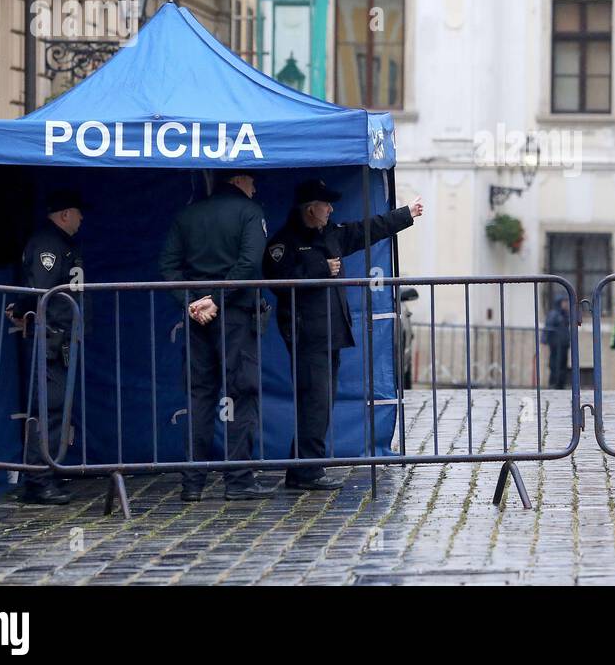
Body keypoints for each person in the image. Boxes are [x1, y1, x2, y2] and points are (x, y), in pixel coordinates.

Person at [264, 178, 423, 491]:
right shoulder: (285, 242)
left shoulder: (331, 233)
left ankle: (303, 467)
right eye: (326, 204)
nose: (331, 209)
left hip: (330, 332)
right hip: (306, 332)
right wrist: (321, 269)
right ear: (311, 209)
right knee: (314, 402)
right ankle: (308, 471)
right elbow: (277, 280)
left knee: (320, 403)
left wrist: (406, 214)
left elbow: (368, 229)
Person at [159, 171, 273, 502]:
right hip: (236, 315)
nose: (255, 188)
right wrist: (218, 298)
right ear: (239, 181)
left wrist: (194, 300)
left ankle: (192, 483)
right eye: (253, 182)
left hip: (197, 317)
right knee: (241, 393)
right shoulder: (250, 212)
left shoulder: (188, 214)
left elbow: (167, 266)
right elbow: (250, 263)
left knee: (199, 396)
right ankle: (238, 480)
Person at [5, 188, 85, 506]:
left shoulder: (61, 243)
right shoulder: (48, 244)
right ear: (64, 214)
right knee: (47, 409)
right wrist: (23, 308)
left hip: (59, 338)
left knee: (54, 409)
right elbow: (39, 288)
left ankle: (44, 473)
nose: (82, 218)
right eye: (78, 212)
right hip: (49, 338)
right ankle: (38, 479)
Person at [543, 296, 571, 390]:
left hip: (563, 344)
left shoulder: (565, 314)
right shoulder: (554, 314)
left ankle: (560, 384)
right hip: (555, 344)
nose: (566, 304)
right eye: (564, 302)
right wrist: (545, 340)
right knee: (555, 364)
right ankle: (554, 383)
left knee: (563, 365)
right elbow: (548, 328)